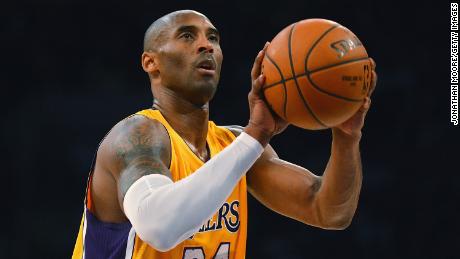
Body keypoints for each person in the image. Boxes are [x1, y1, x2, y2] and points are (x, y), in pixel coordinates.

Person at [72, 9, 377, 259]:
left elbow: (328, 210)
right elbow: (159, 227)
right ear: (150, 62)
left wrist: (347, 137)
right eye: (187, 36)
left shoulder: (233, 146)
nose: (206, 45)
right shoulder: (136, 135)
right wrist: (255, 136)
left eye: (213, 38)